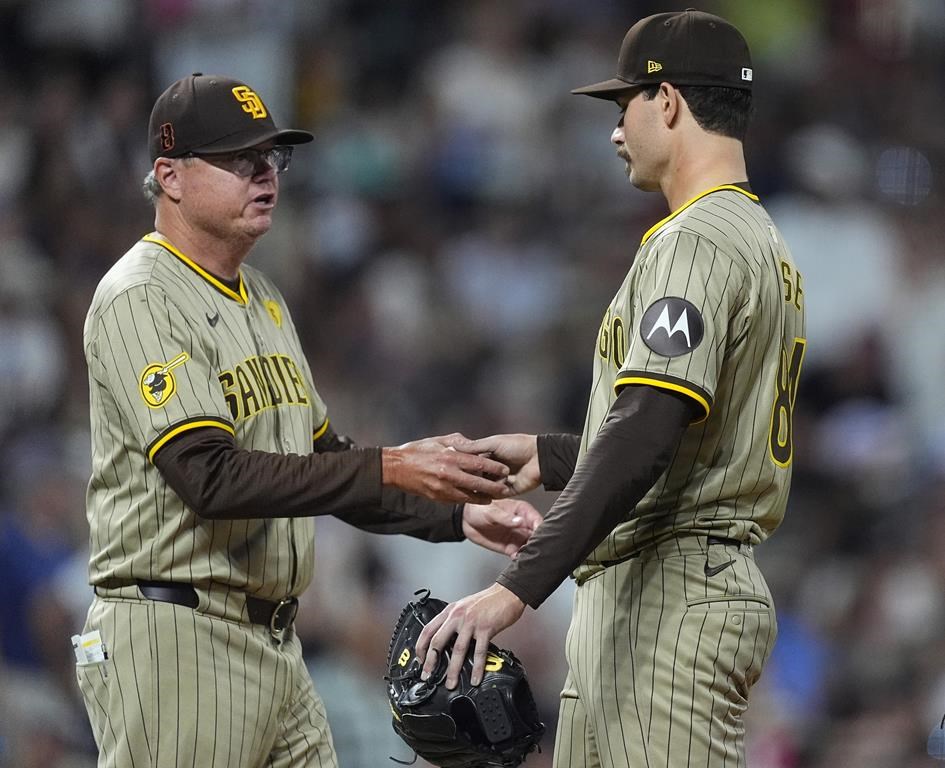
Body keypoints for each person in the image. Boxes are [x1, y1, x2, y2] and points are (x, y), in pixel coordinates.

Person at [74, 73, 541, 768]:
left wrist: (453, 516)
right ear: (169, 176)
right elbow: (209, 477)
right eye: (238, 159)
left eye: (271, 157)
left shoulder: (261, 296)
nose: (264, 173)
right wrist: (390, 464)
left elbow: (324, 459)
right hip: (174, 632)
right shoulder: (140, 297)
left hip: (272, 646)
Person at [417, 10, 807, 768]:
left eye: (624, 104)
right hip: (670, 582)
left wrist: (514, 590)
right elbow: (692, 436)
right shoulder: (760, 241)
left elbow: (646, 428)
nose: (614, 129)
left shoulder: (692, 238)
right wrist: (549, 452)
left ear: (666, 102)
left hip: (668, 592)